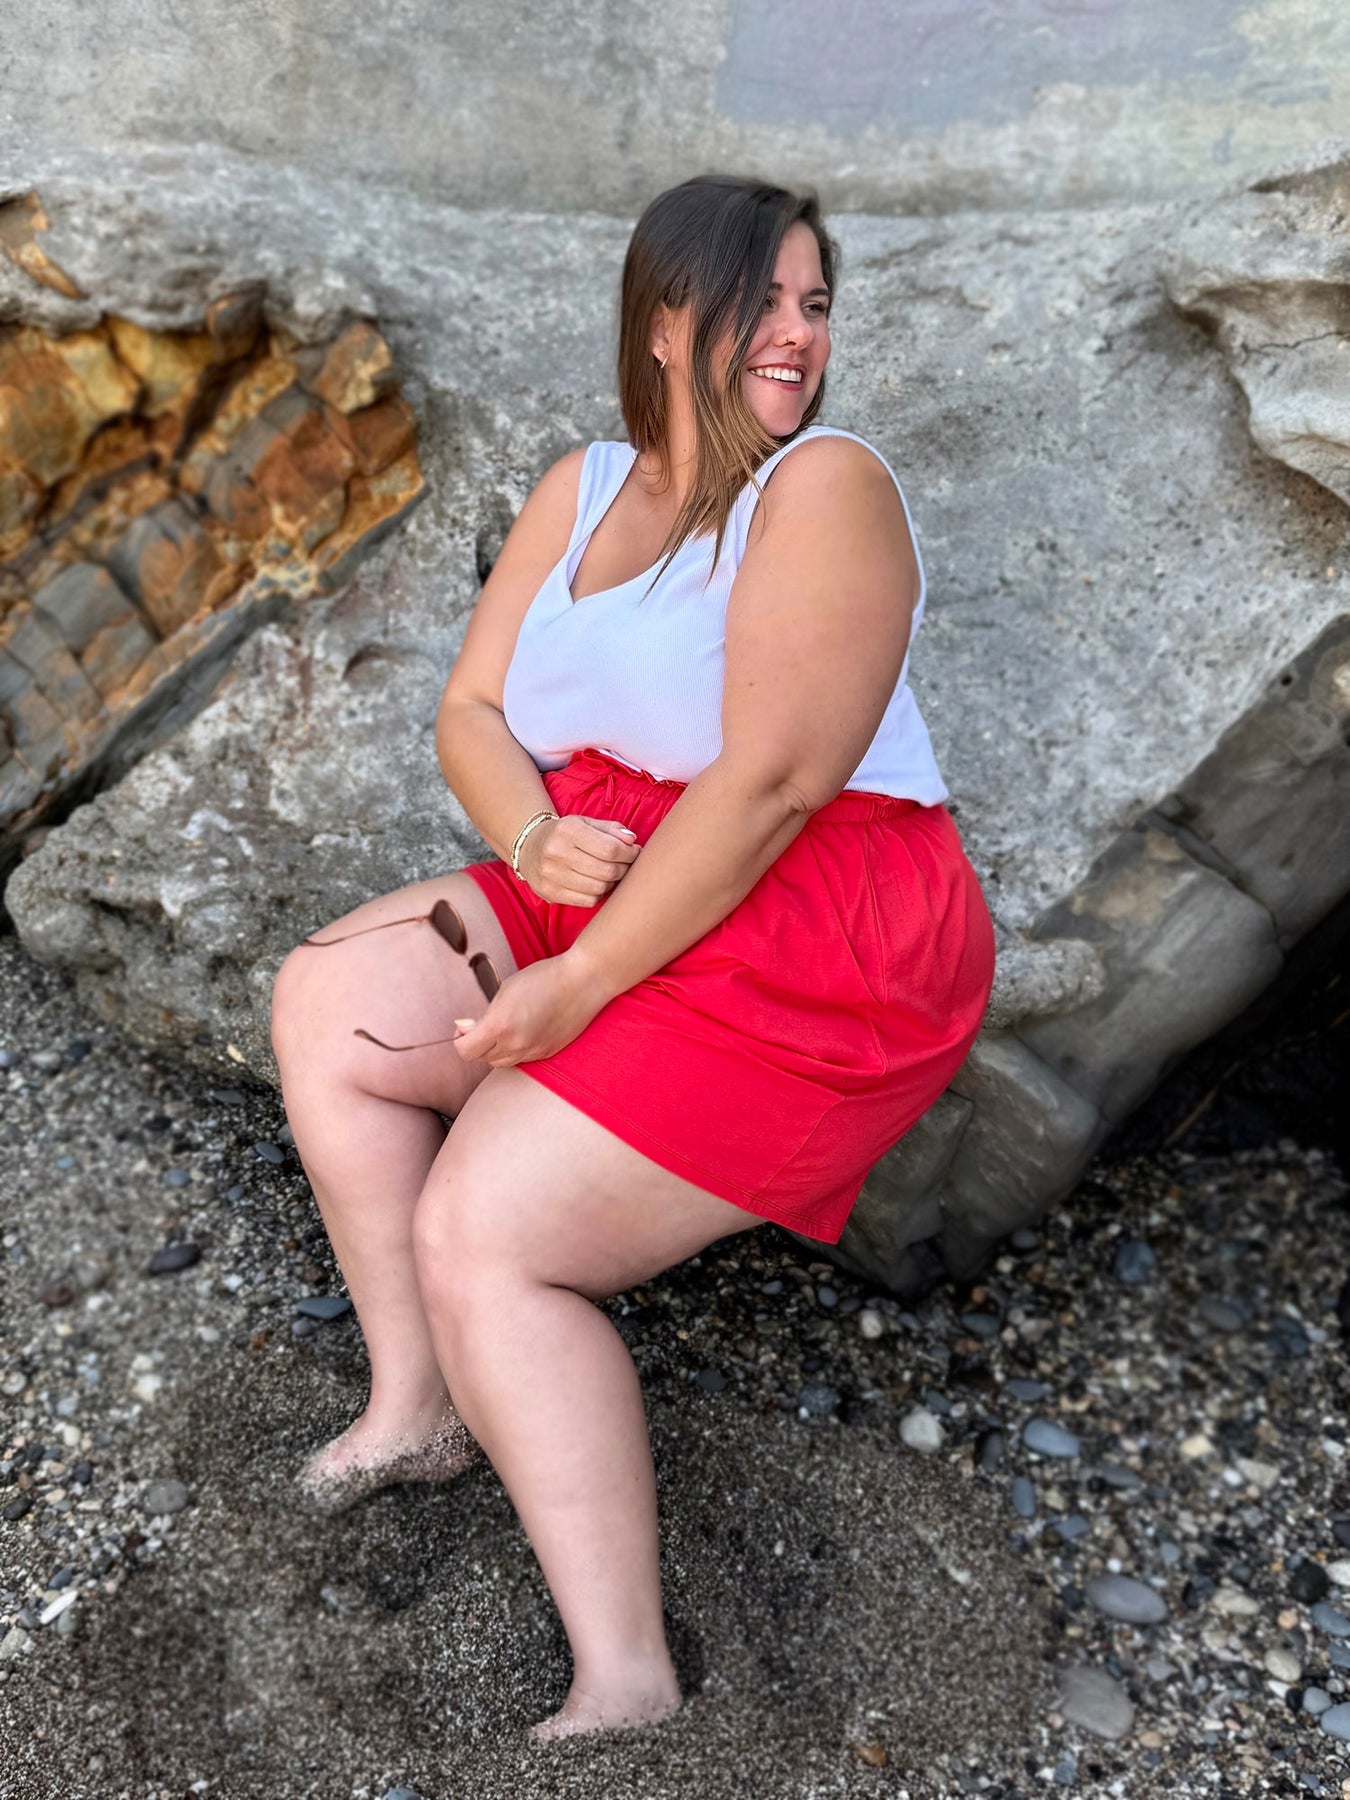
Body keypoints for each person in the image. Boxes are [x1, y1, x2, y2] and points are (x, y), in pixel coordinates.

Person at [268, 173, 996, 1743]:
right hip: (601, 861)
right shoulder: (584, 485)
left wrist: (579, 985)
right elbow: (471, 711)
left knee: (486, 1229)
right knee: (330, 1002)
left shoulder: (824, 487)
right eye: (761, 300)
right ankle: (418, 1407)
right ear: (666, 323)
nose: (796, 332)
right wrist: (529, 836)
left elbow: (776, 783)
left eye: (814, 303)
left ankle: (627, 1678)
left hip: (813, 927)